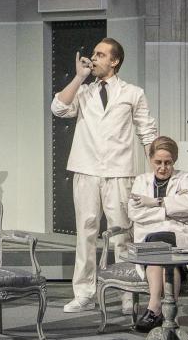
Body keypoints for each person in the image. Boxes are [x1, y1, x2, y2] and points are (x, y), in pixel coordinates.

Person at [51, 37, 157, 313]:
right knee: (85, 232)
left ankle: (126, 293)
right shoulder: (83, 91)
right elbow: (58, 108)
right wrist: (78, 77)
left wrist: (154, 173)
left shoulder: (133, 93)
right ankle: (84, 292)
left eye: (100, 54)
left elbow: (147, 132)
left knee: (122, 235)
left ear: (115, 60)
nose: (94, 58)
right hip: (86, 169)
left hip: (120, 172)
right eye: (94, 54)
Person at [125, 136, 188, 332]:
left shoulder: (184, 178)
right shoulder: (141, 181)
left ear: (174, 161)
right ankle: (170, 316)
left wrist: (155, 202)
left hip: (181, 236)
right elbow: (134, 212)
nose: (162, 168)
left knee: (160, 244)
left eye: (168, 163)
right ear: (150, 159)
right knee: (162, 252)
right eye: (158, 162)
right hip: (152, 240)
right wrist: (170, 209)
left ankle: (154, 309)